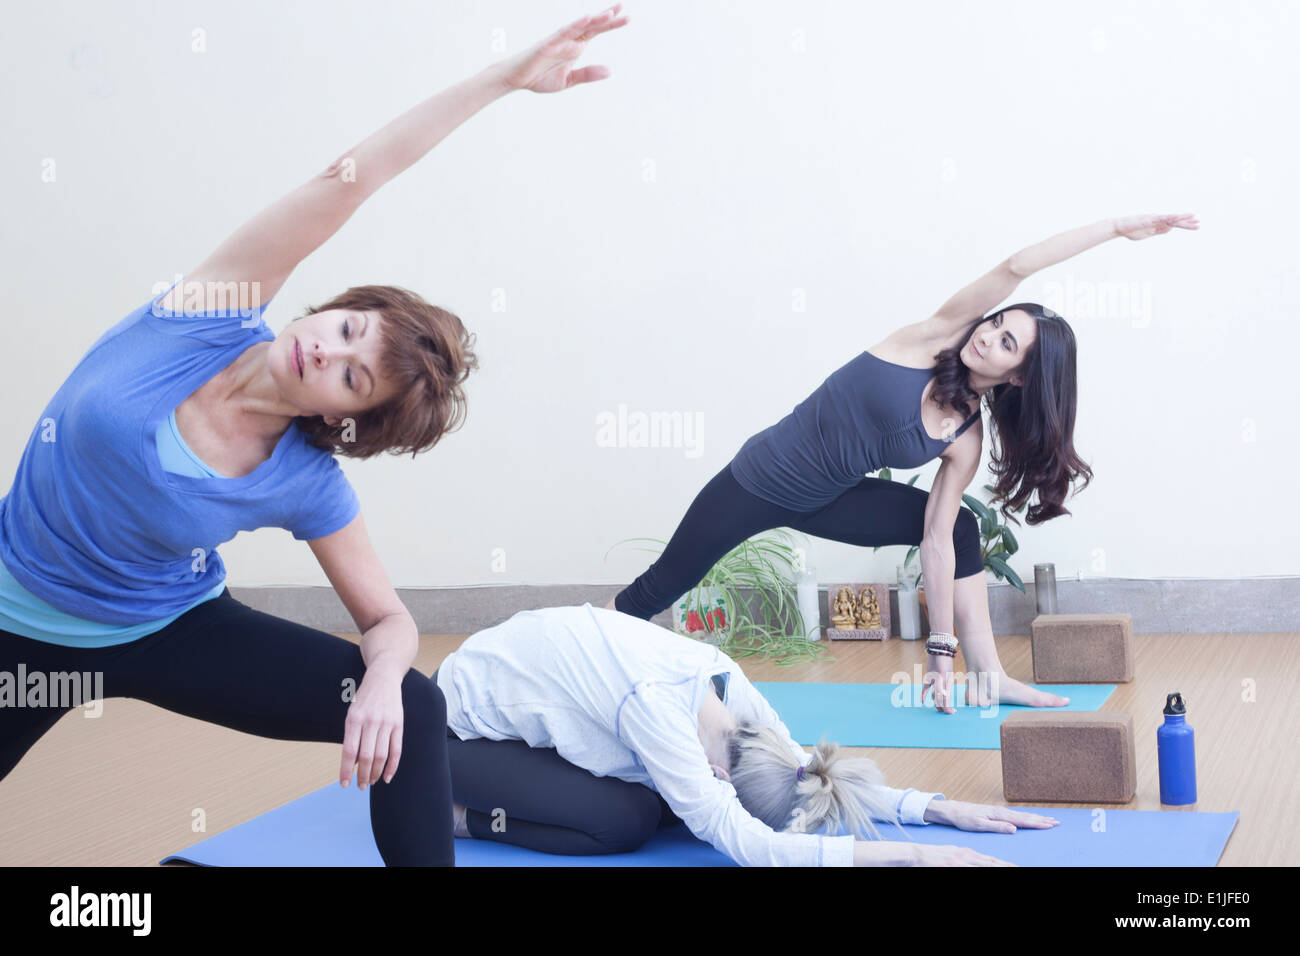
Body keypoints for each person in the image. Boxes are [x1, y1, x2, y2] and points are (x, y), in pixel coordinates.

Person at [0, 6, 630, 866]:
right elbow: (354, 178)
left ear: (344, 416)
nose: (326, 347)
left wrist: (379, 682)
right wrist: (501, 79)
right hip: (17, 618)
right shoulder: (208, 310)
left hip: (168, 630)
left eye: (351, 374)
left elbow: (388, 619)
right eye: (347, 327)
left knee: (413, 702)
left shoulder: (305, 481)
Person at [609, 213, 1198, 713]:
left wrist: (940, 652)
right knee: (659, 587)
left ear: (1017, 377)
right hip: (759, 479)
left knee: (961, 528)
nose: (989, 337)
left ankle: (987, 675)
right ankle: (577, 659)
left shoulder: (965, 438)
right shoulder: (934, 337)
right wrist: (1118, 228)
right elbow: (1018, 266)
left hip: (829, 498)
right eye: (997, 324)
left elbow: (937, 544)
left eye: (1007, 344)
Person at [438, 603, 1060, 866]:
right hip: (456, 731)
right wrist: (911, 854)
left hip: (549, 699)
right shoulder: (658, 713)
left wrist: (936, 810)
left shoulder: (738, 701)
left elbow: (809, 769)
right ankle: (462, 817)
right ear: (721, 777)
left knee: (660, 810)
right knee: (626, 824)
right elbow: (757, 851)